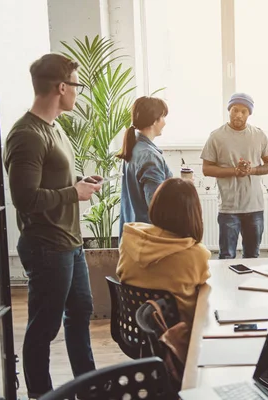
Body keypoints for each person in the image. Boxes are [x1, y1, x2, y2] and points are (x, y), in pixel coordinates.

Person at [3, 53, 102, 398]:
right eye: (77, 85)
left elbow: (54, 179)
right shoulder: (26, 135)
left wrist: (78, 182)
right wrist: (74, 193)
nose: (78, 92)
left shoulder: (55, 127)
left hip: (69, 243)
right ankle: (41, 394)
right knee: (43, 328)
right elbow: (25, 199)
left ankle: (87, 387)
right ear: (62, 87)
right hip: (46, 247)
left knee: (80, 314)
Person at [117, 177, 211, 330]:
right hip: (179, 336)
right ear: (192, 212)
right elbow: (204, 290)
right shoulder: (196, 254)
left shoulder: (129, 239)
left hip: (135, 328)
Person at [201, 93, 268, 259]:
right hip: (229, 207)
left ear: (249, 113)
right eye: (235, 110)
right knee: (226, 257)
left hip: (254, 206)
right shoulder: (216, 136)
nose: (238, 115)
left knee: (252, 256)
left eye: (243, 111)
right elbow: (206, 169)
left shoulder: (259, 135)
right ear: (229, 110)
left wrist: (252, 171)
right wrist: (235, 171)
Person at [117, 96, 172, 237]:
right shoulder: (149, 156)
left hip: (133, 234)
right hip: (148, 238)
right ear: (154, 121)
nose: (165, 122)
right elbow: (156, 207)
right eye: (163, 117)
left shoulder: (134, 146)